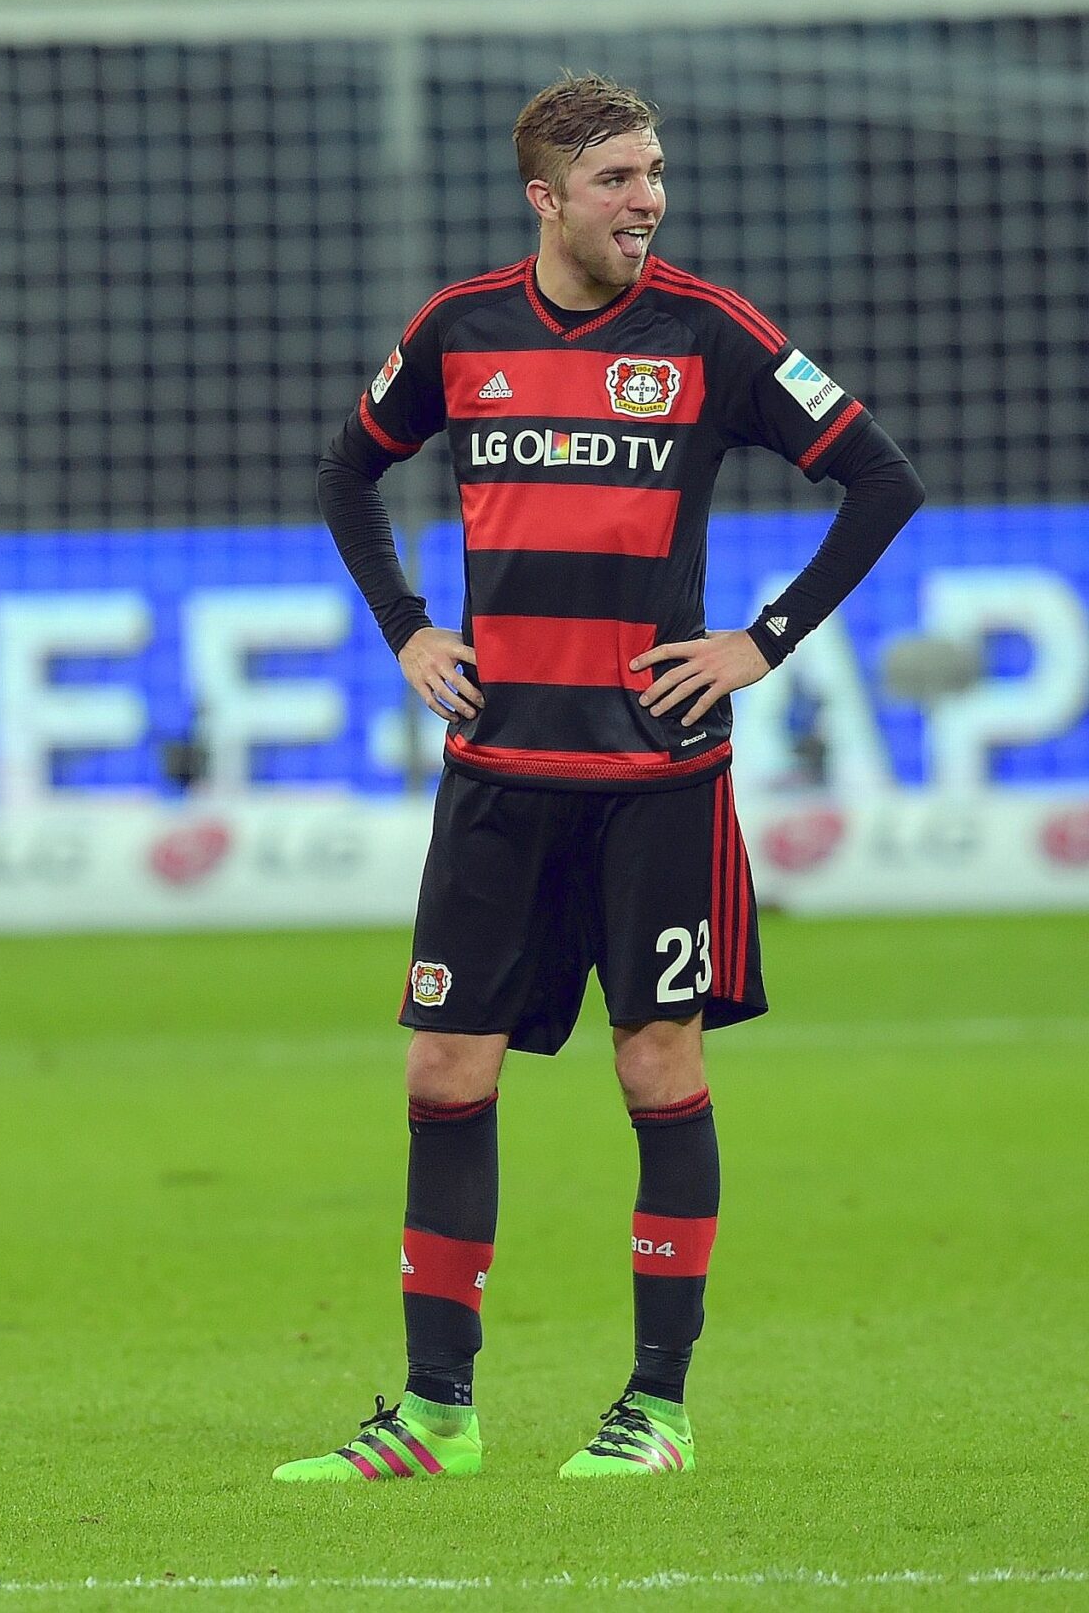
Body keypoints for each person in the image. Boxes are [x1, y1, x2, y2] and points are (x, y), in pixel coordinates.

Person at [278, 74, 923, 1483]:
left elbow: (880, 479)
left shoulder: (711, 333)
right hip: (499, 770)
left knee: (656, 1065)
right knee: (444, 1069)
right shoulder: (460, 333)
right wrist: (405, 629)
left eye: (656, 174)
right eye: (622, 179)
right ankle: (436, 1412)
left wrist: (760, 643)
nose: (649, 201)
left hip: (654, 778)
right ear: (548, 198)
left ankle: (657, 1410)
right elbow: (346, 474)